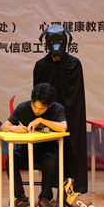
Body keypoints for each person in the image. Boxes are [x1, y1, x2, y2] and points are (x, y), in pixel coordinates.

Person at [33, 24, 88, 194]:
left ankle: (74, 186)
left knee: (73, 144)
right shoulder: (41, 66)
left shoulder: (74, 64)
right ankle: (48, 189)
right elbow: (38, 96)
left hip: (72, 115)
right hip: (48, 117)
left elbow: (77, 96)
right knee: (50, 149)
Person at [0, 82, 67, 207]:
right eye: (34, 106)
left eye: (41, 108)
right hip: (26, 147)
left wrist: (41, 120)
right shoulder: (23, 108)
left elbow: (63, 127)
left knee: (51, 162)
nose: (37, 111)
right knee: (11, 160)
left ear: (49, 105)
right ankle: (21, 199)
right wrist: (13, 128)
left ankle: (44, 198)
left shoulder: (57, 108)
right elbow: (3, 127)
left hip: (48, 149)